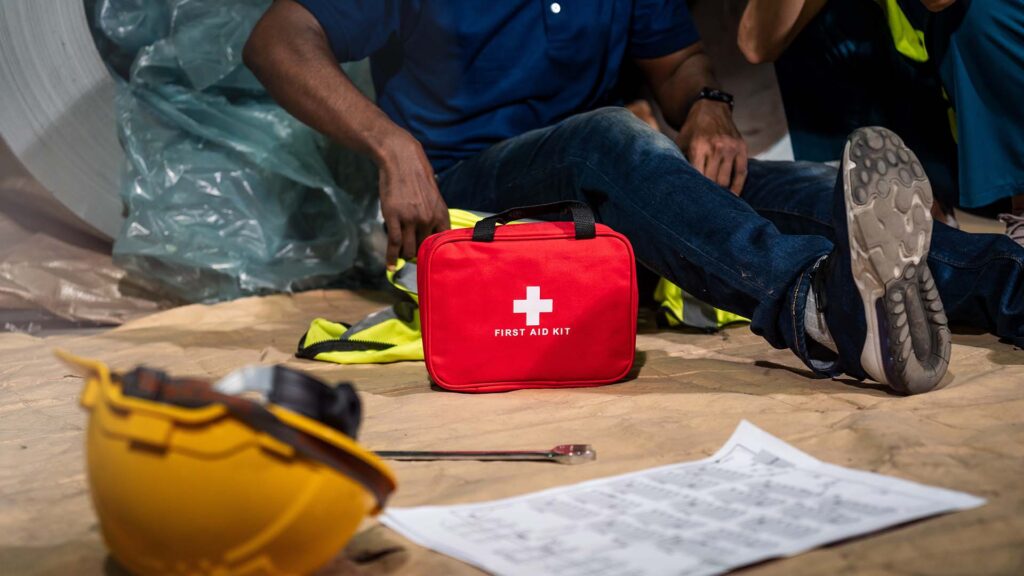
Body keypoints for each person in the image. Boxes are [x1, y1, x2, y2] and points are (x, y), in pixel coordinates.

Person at [243, 0, 1023, 395]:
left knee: (810, 190)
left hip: (609, 182)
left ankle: (1007, 286)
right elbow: (277, 38)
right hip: (471, 198)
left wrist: (707, 104)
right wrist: (390, 143)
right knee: (608, 134)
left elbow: (677, 62)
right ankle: (818, 311)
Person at [738, 0, 1024, 245]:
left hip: (998, 138)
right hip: (946, 138)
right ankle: (910, 220)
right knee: (818, 25)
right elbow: (757, 43)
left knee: (979, 10)